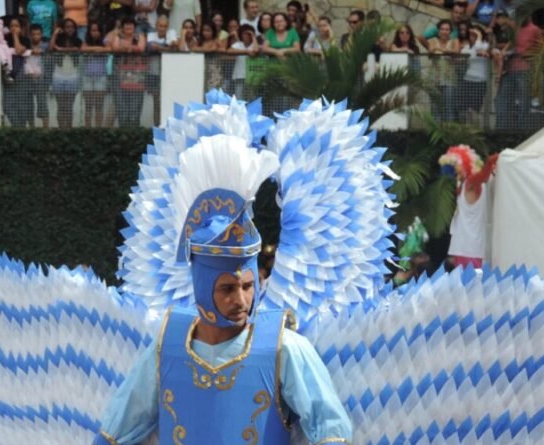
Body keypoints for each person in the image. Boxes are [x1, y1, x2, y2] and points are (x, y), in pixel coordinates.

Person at [94, 142, 353, 445]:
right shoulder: (166, 347)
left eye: (248, 286)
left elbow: (331, 431)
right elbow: (116, 431)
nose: (242, 301)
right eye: (228, 289)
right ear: (203, 287)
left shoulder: (286, 349)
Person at [439, 145, 498, 269]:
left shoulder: (470, 183)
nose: (457, 172)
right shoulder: (467, 184)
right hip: (468, 248)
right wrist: (492, 161)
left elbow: (483, 176)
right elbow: (483, 176)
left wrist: (491, 163)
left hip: (468, 248)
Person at [495, 15, 541, 130]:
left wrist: (525, 54)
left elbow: (540, 47)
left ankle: (522, 131)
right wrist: (505, 53)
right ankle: (500, 130)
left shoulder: (535, 29)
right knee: (502, 100)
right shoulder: (515, 28)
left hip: (525, 70)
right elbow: (510, 44)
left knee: (524, 101)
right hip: (509, 69)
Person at [110, 16, 146, 127]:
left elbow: (141, 48)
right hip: (120, 76)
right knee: (121, 106)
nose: (128, 26)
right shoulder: (117, 36)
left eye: (131, 24)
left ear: (134, 26)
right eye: (126, 24)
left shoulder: (139, 36)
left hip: (137, 77)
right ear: (122, 26)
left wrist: (125, 46)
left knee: (135, 106)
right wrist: (131, 47)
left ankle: (134, 130)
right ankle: (123, 131)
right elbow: (115, 48)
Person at [50, 18, 83, 128]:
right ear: (63, 28)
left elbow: (76, 49)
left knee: (69, 106)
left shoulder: (78, 40)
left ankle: (69, 130)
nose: (70, 29)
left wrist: (60, 49)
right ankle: (61, 130)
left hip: (73, 76)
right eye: (67, 27)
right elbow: (51, 48)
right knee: (61, 106)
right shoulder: (58, 40)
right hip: (58, 76)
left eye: (72, 27)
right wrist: (55, 34)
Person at [146, 13, 176, 124]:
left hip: (167, 74)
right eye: (160, 25)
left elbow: (174, 46)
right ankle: (157, 125)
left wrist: (160, 47)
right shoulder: (150, 35)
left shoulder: (171, 34)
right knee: (156, 102)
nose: (162, 28)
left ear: (167, 27)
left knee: (167, 100)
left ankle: (167, 125)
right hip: (153, 73)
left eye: (165, 26)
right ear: (156, 26)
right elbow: (150, 47)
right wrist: (166, 47)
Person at [427, 19, 460, 122]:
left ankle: (448, 134)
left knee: (449, 107)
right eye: (442, 29)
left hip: (450, 78)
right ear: (438, 30)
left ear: (450, 31)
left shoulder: (455, 41)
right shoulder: (432, 40)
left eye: (447, 29)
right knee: (435, 108)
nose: (444, 31)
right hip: (434, 78)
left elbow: (456, 52)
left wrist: (441, 50)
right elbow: (430, 51)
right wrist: (446, 51)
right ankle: (436, 134)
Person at [4, 17, 32, 128]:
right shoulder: (4, 39)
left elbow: (19, 50)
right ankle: (17, 127)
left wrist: (15, 36)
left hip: (21, 74)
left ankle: (22, 128)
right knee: (8, 105)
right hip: (7, 76)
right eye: (11, 26)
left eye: (16, 26)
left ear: (21, 28)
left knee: (22, 104)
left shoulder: (25, 40)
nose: (14, 28)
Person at [459, 25, 489, 123]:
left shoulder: (485, 45)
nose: (473, 37)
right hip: (467, 79)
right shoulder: (467, 47)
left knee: (475, 108)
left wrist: (479, 35)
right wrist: (476, 51)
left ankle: (476, 128)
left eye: (475, 35)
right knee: (466, 108)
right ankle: (467, 129)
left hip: (480, 80)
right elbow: (465, 53)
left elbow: (478, 49)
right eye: (471, 35)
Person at [81, 21, 109, 127]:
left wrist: (99, 49)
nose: (95, 33)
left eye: (97, 30)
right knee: (88, 105)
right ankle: (88, 128)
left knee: (99, 105)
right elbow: (83, 49)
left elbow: (109, 49)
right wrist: (97, 49)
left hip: (101, 76)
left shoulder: (105, 41)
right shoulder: (86, 41)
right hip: (87, 76)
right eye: (93, 30)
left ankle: (98, 129)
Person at [25, 24, 49, 128]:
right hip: (28, 79)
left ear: (41, 34)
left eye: (38, 34)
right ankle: (32, 128)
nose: (36, 36)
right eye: (33, 34)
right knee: (29, 105)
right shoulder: (26, 45)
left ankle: (45, 129)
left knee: (42, 104)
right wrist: (30, 51)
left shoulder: (44, 45)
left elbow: (50, 49)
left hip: (40, 79)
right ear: (30, 35)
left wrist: (41, 51)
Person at [227, 23, 258, 100]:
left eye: (248, 34)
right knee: (239, 98)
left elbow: (256, 50)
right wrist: (246, 52)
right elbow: (229, 51)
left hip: (252, 76)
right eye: (244, 34)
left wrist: (254, 37)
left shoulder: (254, 44)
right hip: (239, 75)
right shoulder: (238, 44)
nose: (246, 36)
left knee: (252, 98)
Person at [490, 10, 513, 82]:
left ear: (507, 18)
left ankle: (498, 76)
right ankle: (499, 72)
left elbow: (512, 41)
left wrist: (504, 49)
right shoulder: (496, 29)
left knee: (501, 56)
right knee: (494, 52)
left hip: (508, 50)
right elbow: (494, 44)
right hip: (499, 49)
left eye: (502, 18)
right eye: (498, 18)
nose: (500, 20)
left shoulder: (510, 28)